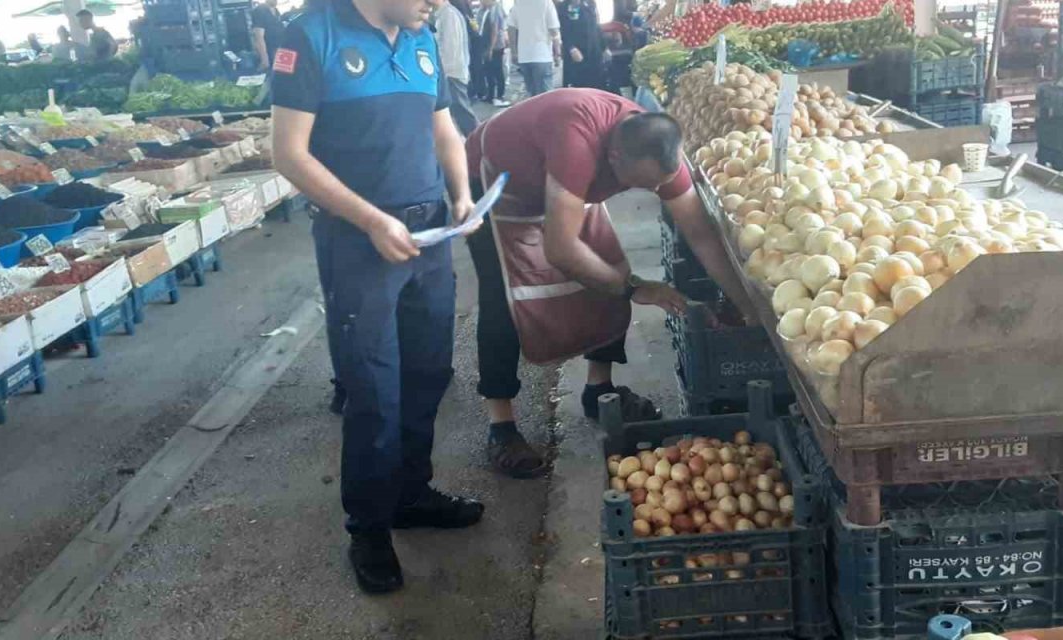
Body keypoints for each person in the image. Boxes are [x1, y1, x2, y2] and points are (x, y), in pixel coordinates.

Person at [272, 0, 484, 595]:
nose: (438, 4)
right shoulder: (310, 36)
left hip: (430, 234)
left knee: (428, 372)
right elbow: (287, 151)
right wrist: (369, 220)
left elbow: (444, 126)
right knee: (373, 390)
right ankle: (368, 528)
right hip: (360, 243)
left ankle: (411, 494)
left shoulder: (422, 37)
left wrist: (461, 194)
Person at [464, 89, 751, 477]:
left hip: (561, 181)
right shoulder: (576, 142)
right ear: (615, 159)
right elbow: (560, 250)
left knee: (609, 262)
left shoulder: (656, 152)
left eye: (656, 186)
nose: (649, 191)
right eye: (639, 184)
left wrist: (749, 309)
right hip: (494, 181)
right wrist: (634, 288)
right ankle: (501, 427)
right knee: (506, 298)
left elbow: (701, 235)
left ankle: (599, 390)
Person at [435, 0, 478, 136]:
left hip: (451, 72)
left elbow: (450, 49)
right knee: (457, 112)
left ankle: (478, 141)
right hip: (450, 72)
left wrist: (443, 72)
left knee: (462, 112)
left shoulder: (449, 15)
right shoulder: (444, 14)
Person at [508, 0, 560, 97]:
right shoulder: (546, 3)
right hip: (542, 55)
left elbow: (511, 28)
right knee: (546, 97)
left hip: (524, 57)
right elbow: (553, 30)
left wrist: (514, 52)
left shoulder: (519, 3)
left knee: (532, 97)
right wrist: (557, 52)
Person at [556, 0, 606, 90]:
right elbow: (563, 31)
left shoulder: (590, 3)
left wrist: (604, 47)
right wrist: (571, 48)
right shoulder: (563, 7)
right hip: (576, 52)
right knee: (579, 86)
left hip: (594, 51)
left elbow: (597, 26)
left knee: (598, 84)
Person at [477, 0, 510, 106]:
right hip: (486, 44)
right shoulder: (484, 9)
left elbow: (495, 29)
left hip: (495, 45)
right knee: (488, 70)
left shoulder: (496, 9)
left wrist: (491, 48)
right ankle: (490, 95)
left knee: (497, 70)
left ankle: (500, 95)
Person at [251, 0, 285, 71]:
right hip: (270, 52)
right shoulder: (260, 10)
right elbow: (259, 37)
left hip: (280, 51)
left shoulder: (276, 10)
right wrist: (264, 59)